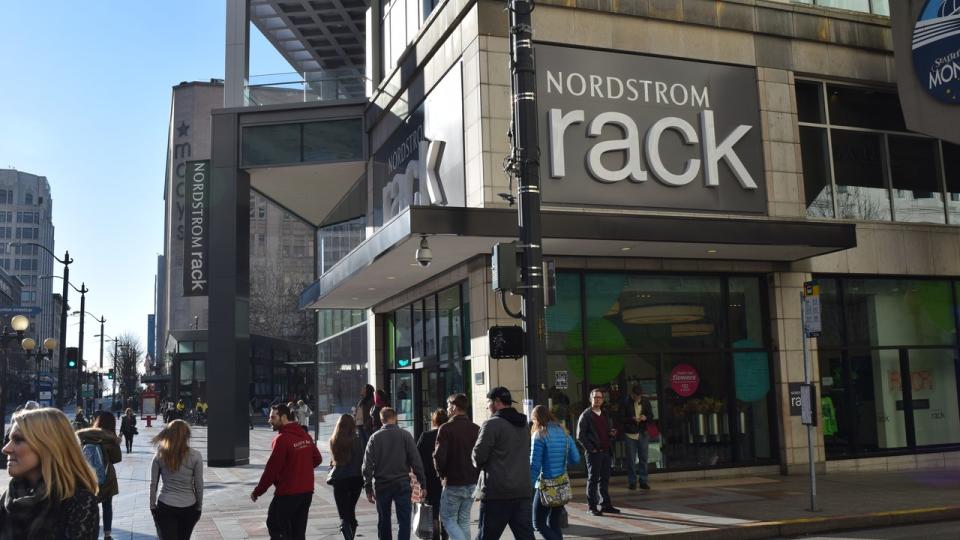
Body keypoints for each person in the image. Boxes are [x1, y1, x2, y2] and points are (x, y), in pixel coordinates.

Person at [0, 407, 100, 538]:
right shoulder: (8, 499)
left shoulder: (79, 503)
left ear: (47, 445)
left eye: (18, 440)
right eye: (9, 440)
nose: (6, 449)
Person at [251, 403, 323, 539]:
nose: (269, 421)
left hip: (288, 492)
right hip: (307, 492)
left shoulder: (282, 440)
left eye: (273, 417)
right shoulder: (304, 435)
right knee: (298, 531)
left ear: (283, 417)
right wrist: (300, 469)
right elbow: (317, 459)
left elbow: (271, 470)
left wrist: (258, 491)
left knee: (275, 524)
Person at [472, 387, 534, 540]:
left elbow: (478, 456)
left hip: (497, 493)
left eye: (488, 402)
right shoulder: (524, 424)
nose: (487, 406)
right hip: (522, 491)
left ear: (497, 402)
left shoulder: (492, 424)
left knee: (486, 537)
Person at [362, 407, 425, 540]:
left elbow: (367, 465)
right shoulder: (405, 435)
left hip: (382, 484)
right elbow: (416, 461)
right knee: (404, 521)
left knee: (384, 520)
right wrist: (422, 483)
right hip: (402, 483)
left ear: (381, 419)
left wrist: (367, 486)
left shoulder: (374, 438)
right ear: (395, 418)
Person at [530, 405, 580, 540]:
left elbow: (535, 465)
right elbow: (576, 459)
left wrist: (528, 485)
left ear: (537, 419)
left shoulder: (539, 435)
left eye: (533, 420)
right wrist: (561, 461)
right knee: (553, 522)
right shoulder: (564, 432)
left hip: (546, 486)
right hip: (562, 484)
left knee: (538, 523)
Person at [433, 393, 479, 540]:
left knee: (447, 518)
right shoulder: (475, 428)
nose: (447, 409)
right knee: (463, 520)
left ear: (454, 407)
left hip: (453, 481)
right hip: (471, 481)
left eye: (448, 405)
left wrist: (441, 475)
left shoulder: (446, 428)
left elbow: (440, 456)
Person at [150, 419, 204, 540]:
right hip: (189, 505)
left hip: (166, 504)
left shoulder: (160, 455)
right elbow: (199, 485)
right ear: (187, 435)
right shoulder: (195, 456)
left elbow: (153, 484)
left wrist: (152, 506)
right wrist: (199, 507)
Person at [78, 411, 123, 540]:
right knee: (107, 505)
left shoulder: (83, 436)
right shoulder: (110, 438)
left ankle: (90, 532)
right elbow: (116, 458)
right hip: (106, 478)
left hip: (87, 477)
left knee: (90, 505)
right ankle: (107, 534)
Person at [576, 388, 620, 516]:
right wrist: (592, 449)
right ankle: (592, 507)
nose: (597, 399)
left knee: (605, 479)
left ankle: (605, 504)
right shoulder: (585, 415)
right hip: (594, 453)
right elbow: (580, 436)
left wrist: (611, 434)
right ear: (591, 399)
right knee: (593, 479)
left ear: (603, 399)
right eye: (595, 397)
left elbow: (605, 431)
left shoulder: (605, 414)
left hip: (606, 451)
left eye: (599, 397)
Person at [328, 414, 365, 540]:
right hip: (356, 479)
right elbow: (361, 460)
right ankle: (350, 533)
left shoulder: (334, 440)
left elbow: (332, 461)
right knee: (351, 510)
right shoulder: (357, 439)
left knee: (344, 514)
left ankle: (346, 529)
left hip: (340, 480)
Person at [417, 409, 448, 540]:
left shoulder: (426, 436)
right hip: (446, 477)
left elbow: (417, 457)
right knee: (446, 510)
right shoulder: (449, 435)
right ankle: (445, 534)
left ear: (434, 421)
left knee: (434, 510)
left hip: (430, 477)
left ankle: (435, 536)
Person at [623, 385, 654, 491]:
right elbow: (619, 418)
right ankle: (632, 482)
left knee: (643, 458)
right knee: (631, 459)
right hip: (630, 434)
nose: (638, 399)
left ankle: (643, 481)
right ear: (632, 394)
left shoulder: (645, 401)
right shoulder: (625, 402)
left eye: (639, 397)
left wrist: (645, 417)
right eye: (636, 397)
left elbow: (651, 416)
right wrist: (631, 419)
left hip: (642, 432)